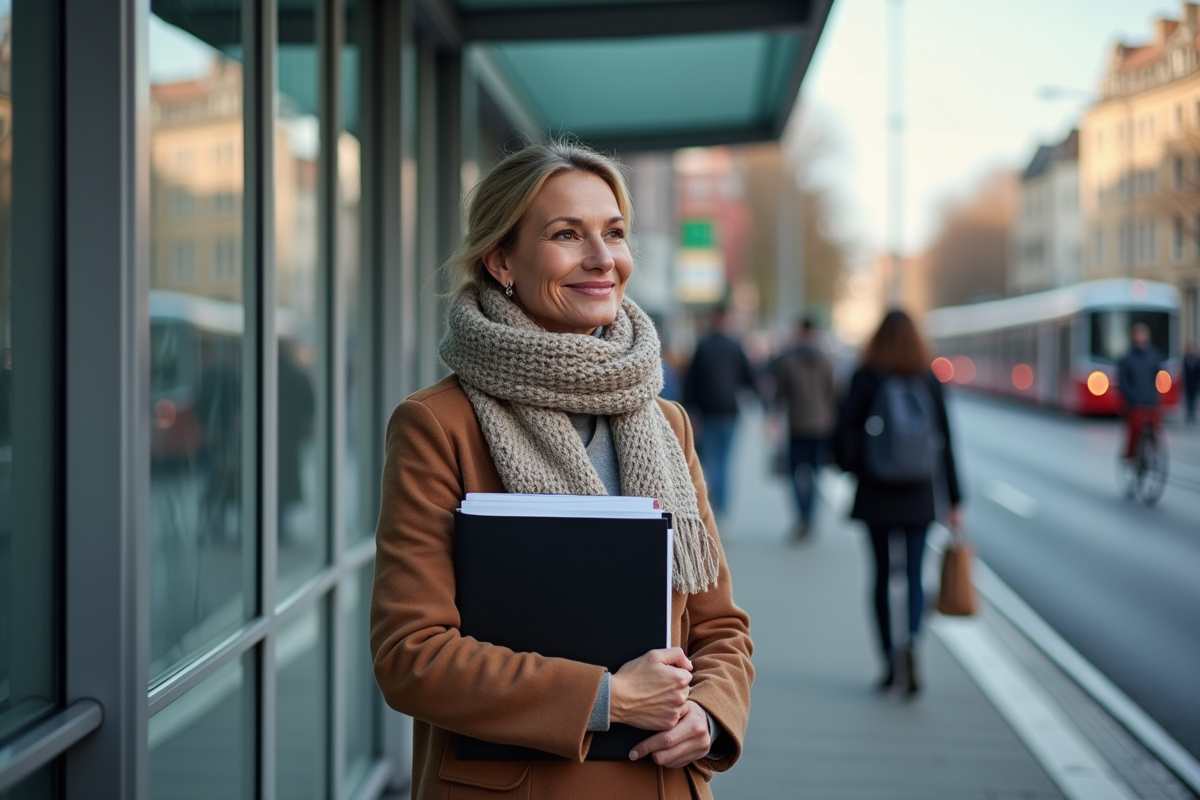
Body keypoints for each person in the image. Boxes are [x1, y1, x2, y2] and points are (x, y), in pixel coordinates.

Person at [370, 140, 753, 800]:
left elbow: (720, 626)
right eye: (567, 234)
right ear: (501, 261)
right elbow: (412, 655)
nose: (604, 259)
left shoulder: (667, 424)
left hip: (659, 782)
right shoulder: (438, 425)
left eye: (614, 233)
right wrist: (606, 698)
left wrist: (710, 716)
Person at [833, 310, 962, 697]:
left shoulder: (866, 376)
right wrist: (955, 498)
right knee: (915, 575)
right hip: (920, 493)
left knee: (881, 576)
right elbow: (946, 441)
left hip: (877, 492)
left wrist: (858, 465)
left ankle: (889, 658)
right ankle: (913, 642)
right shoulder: (928, 377)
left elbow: (843, 436)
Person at [682, 306, 758, 516]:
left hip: (707, 413)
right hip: (729, 412)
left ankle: (713, 505)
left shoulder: (703, 347)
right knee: (725, 462)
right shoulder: (735, 347)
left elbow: (691, 383)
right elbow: (749, 379)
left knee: (712, 461)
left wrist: (690, 412)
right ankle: (721, 508)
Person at [769, 317, 834, 539]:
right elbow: (834, 392)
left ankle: (802, 515)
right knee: (815, 473)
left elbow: (780, 394)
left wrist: (774, 417)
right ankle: (810, 516)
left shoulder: (789, 361)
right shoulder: (826, 361)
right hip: (821, 425)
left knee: (796, 474)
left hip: (797, 424)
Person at [1116, 323, 1165, 461]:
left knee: (1155, 428)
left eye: (1143, 334)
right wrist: (1131, 397)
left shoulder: (1154, 355)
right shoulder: (1126, 359)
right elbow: (1123, 383)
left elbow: (1159, 376)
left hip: (1151, 401)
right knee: (1135, 429)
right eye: (1138, 334)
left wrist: (1157, 394)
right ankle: (1131, 456)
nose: (1141, 337)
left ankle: (1154, 452)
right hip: (1134, 403)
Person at [1182, 340, 1199, 425]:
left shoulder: (1197, 360)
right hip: (1188, 382)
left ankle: (1192, 414)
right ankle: (1189, 414)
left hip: (1195, 383)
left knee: (1193, 399)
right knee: (1188, 399)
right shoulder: (1186, 359)